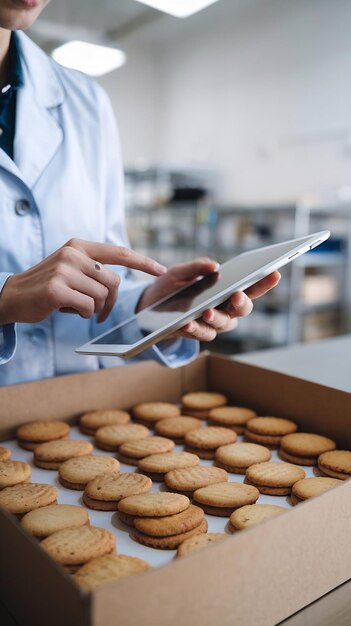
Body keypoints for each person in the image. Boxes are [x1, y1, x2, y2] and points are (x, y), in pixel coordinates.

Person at [0, 0, 280, 386]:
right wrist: (5, 297)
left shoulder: (86, 102)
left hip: (75, 408)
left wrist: (149, 308)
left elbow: (105, 292)